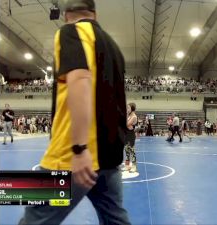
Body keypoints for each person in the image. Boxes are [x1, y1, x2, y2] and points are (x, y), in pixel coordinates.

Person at [18, 1, 131, 224]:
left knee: (35, 220)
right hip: (109, 158)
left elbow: (79, 80)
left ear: (66, 15)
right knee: (115, 220)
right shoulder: (114, 48)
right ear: (95, 14)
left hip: (72, 156)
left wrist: (80, 149)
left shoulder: (70, 32)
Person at [124, 103, 138, 173]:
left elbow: (126, 124)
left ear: (132, 109)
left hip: (130, 134)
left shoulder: (134, 116)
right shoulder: (128, 115)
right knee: (126, 150)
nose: (127, 109)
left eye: (128, 108)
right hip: (126, 134)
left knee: (132, 150)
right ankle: (127, 166)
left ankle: (134, 166)